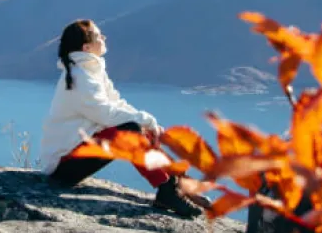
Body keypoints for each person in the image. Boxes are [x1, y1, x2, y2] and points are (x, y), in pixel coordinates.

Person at [39, 19, 207, 218]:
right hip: (64, 167)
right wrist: (145, 120)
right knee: (129, 131)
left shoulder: (90, 70)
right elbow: (105, 113)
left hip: (74, 157)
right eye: (99, 35)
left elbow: (116, 103)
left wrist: (145, 123)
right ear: (87, 47)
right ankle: (167, 187)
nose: (104, 38)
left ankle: (175, 181)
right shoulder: (80, 77)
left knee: (135, 128)